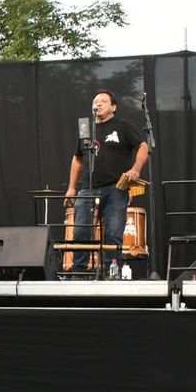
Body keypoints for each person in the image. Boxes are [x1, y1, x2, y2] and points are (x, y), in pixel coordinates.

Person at [64, 90, 148, 272]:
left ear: (113, 107)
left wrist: (136, 169)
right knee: (81, 231)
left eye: (103, 101)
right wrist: (71, 187)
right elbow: (77, 158)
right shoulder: (86, 129)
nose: (98, 104)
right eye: (96, 101)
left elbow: (143, 145)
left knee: (114, 232)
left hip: (115, 188)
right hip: (87, 188)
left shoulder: (123, 126)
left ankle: (112, 271)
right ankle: (79, 271)